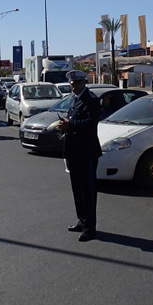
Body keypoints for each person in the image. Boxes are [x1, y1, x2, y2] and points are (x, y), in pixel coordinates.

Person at [57, 70, 101, 242]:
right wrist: (66, 124)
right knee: (77, 188)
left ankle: (90, 227)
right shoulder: (74, 99)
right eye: (71, 83)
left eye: (75, 83)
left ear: (83, 82)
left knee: (88, 190)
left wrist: (70, 124)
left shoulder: (91, 99)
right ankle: (82, 220)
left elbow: (91, 122)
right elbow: (72, 119)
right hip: (74, 150)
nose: (72, 86)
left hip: (87, 151)